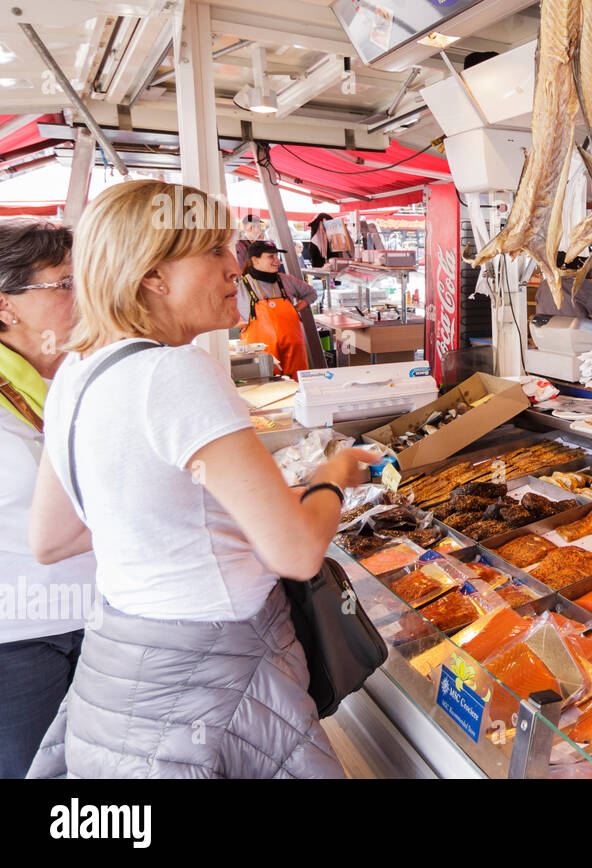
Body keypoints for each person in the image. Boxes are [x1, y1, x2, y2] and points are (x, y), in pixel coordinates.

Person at [26, 180, 378, 779]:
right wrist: (333, 473)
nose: (233, 268)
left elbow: (54, 538)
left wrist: (227, 509)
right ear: (152, 276)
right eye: (214, 251)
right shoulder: (175, 373)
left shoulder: (78, 371)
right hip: (213, 677)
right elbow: (296, 553)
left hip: (122, 674)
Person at [0, 219, 97, 779]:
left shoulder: (73, 376)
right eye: (64, 284)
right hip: (14, 640)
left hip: (96, 616)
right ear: (6, 305)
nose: (81, 297)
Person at [238, 241, 319, 378]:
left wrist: (297, 308)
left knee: (296, 388)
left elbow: (311, 293)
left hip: (293, 350)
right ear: (255, 260)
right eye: (271, 257)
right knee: (266, 389)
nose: (277, 261)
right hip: (262, 353)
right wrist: (237, 322)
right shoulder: (242, 286)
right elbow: (222, 312)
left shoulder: (287, 280)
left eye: (277, 257)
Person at [533, 251, 592, 325]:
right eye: (591, 265)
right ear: (580, 267)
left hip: (548, 340)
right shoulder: (588, 289)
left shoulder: (544, 286)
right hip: (582, 339)